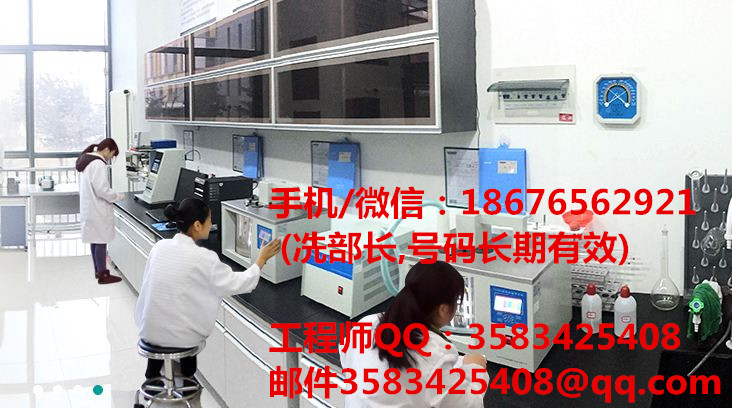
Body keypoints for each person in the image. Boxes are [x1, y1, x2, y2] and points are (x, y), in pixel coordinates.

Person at [134, 198, 282, 382]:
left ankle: (152, 377)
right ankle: (187, 379)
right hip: (182, 339)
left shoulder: (159, 247)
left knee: (165, 314)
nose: (211, 224)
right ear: (197, 225)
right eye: (209, 220)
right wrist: (261, 260)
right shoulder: (203, 258)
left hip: (148, 330)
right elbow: (239, 283)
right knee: (187, 325)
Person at [340, 261, 489, 407]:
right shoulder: (435, 355)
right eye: (456, 303)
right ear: (443, 309)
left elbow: (347, 359)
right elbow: (471, 404)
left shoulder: (367, 323)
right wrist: (475, 368)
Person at [76, 138, 126, 284]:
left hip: (89, 208)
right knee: (101, 240)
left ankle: (99, 271)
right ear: (107, 150)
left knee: (95, 240)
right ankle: (103, 275)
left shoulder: (87, 160)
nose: (110, 158)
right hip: (97, 209)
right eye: (112, 155)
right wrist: (117, 196)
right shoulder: (98, 164)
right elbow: (102, 190)